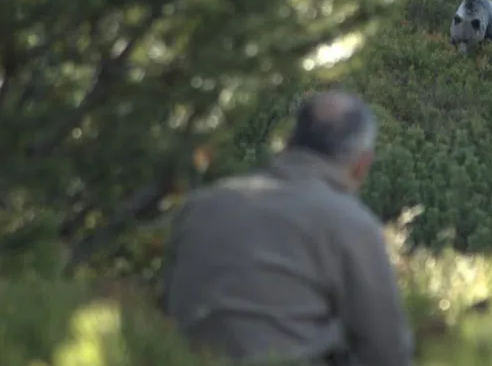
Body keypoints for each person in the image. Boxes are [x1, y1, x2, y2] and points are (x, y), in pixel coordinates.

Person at [162, 90, 414, 365]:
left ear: (288, 143)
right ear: (362, 165)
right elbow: (387, 352)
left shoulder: (201, 205)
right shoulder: (350, 223)